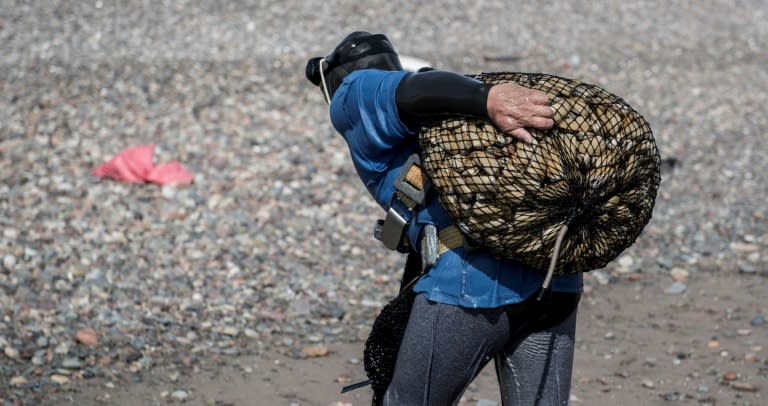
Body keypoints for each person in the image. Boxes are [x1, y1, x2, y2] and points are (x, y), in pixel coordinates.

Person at [306, 31, 583, 406]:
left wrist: (489, 98)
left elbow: (403, 90)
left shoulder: (354, 93)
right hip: (554, 274)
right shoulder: (442, 109)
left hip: (471, 284)